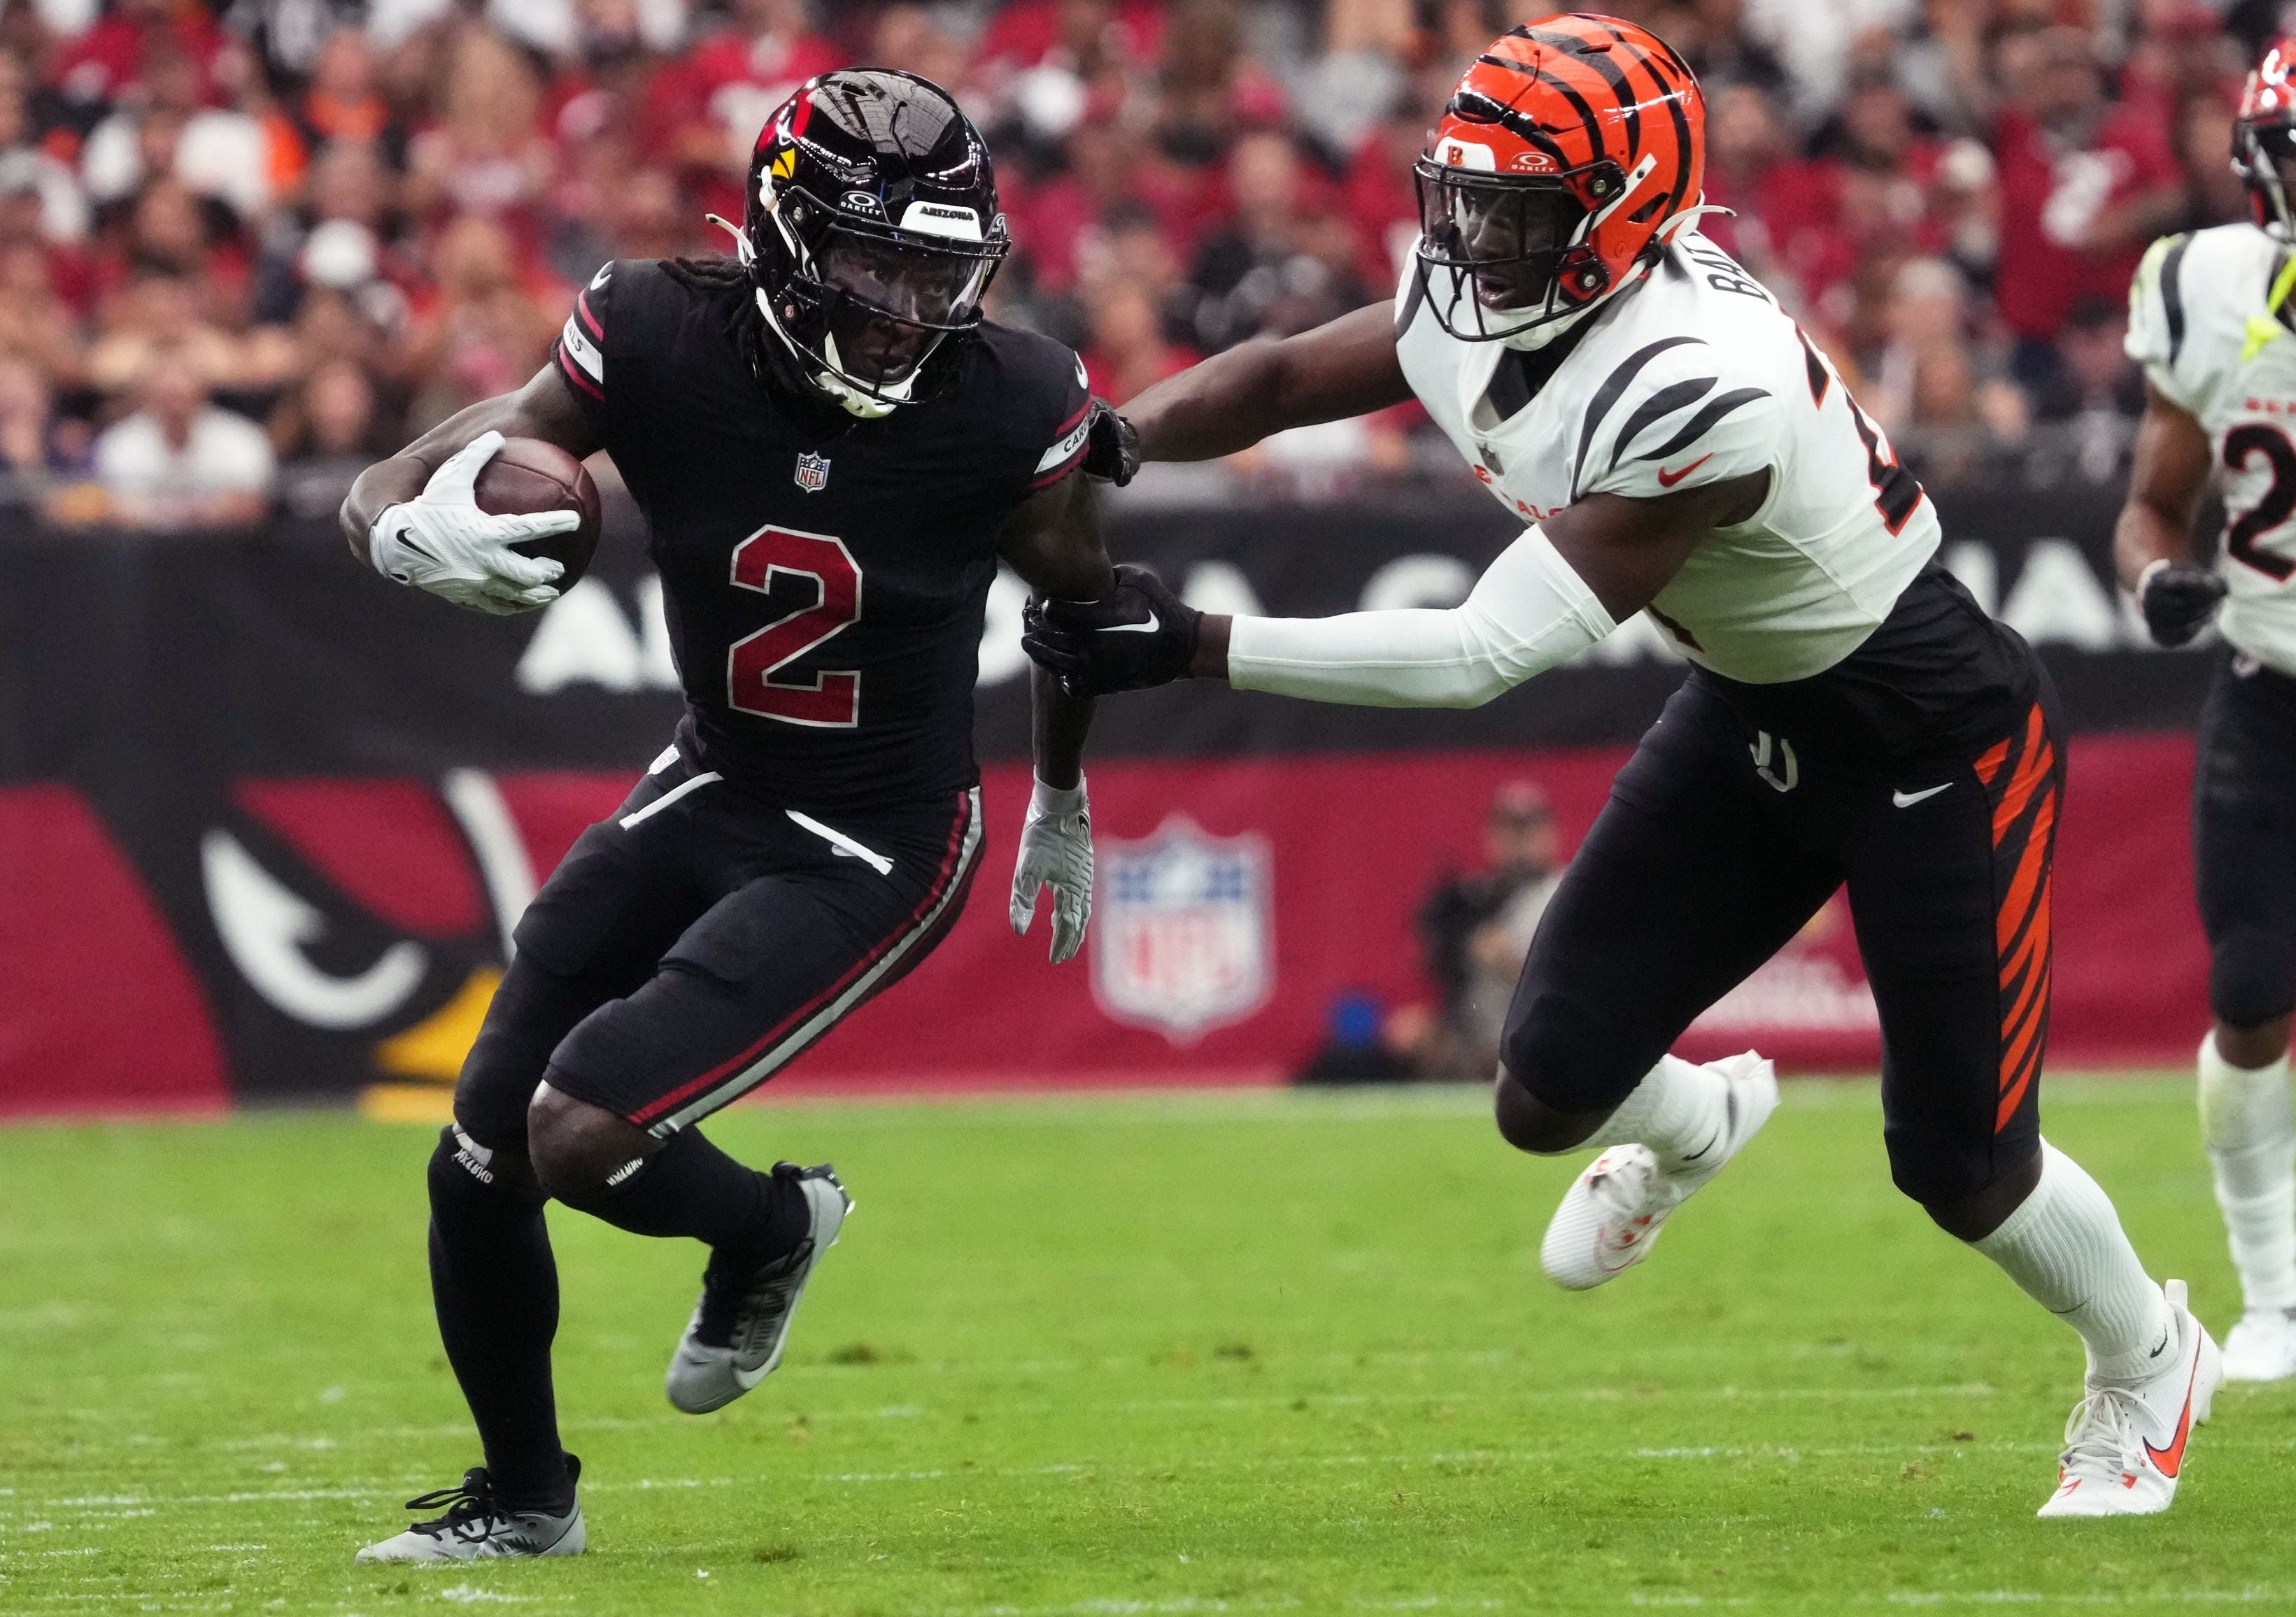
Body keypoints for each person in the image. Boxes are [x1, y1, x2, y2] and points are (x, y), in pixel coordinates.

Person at [1030, 15, 2216, 1518]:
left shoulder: (1695, 382)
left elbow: (1480, 653)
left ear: (1625, 215)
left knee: (1962, 1167)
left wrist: (1195, 642)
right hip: (1753, 710)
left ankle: (2147, 1354)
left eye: (1512, 211)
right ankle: (1699, 1122)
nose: (1468, 237)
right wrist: (1108, 444)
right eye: (1460, 194)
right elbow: (1270, 379)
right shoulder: (1492, 287)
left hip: (1930, 741)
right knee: (1544, 1087)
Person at [339, 69, 1114, 1562]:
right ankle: (524, 1500)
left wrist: (1062, 792)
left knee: (580, 1127)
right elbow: (414, 467)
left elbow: (1081, 608)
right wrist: (391, 532)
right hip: (715, 773)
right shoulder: (655, 328)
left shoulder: (1011, 399)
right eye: (874, 260)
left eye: (936, 268)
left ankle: (768, 1229)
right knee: (481, 1147)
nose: (906, 305)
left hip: (882, 830)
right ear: (779, 238)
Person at [2115, 36, 2296, 1388]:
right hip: (2267, 683)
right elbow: (2149, 508)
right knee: (2247, 991)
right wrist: (2157, 583)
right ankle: (2276, 1298)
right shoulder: (2205, 288)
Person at [1415, 781, 1564, 1080]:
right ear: (1492, 836)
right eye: (1510, 829)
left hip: (1544, 1050)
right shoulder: (1473, 896)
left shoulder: (1567, 894)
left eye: (1529, 829)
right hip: (1475, 1052)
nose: (1519, 841)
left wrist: (1516, 961)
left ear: (1551, 834)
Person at [91, 344, 274, 528]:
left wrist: (165, 511)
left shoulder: (242, 439)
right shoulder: (120, 442)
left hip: (224, 549)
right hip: (144, 551)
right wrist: (191, 511)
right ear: (146, 391)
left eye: (182, 390)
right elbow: (114, 508)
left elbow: (251, 504)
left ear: (204, 388)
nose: (175, 396)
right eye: (166, 390)